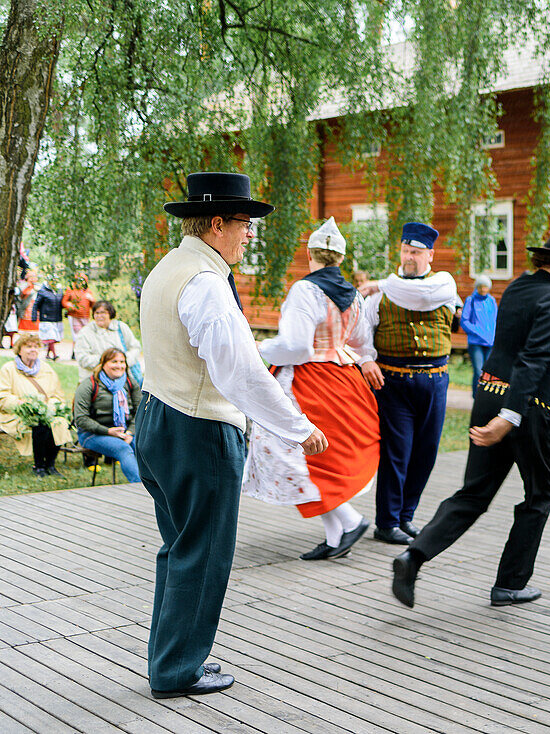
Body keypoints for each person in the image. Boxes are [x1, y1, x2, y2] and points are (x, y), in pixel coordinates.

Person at [135, 171, 326, 699]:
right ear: (217, 223)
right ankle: (177, 670)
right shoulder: (206, 284)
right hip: (196, 431)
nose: (250, 235)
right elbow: (238, 372)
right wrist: (297, 428)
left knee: (179, 548)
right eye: (246, 224)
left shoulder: (168, 268)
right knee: (204, 552)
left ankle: (169, 656)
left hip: (157, 419)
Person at [391, 229, 550, 609]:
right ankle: (509, 584)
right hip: (528, 410)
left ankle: (414, 557)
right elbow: (534, 358)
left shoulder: (520, 287)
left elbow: (525, 332)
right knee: (539, 495)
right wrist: (511, 416)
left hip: (488, 395)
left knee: (473, 493)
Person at [241, 217, 381, 560]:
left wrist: (260, 349)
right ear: (341, 258)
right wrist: (363, 360)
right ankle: (336, 534)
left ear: (310, 254)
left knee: (292, 454)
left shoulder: (305, 289)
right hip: (344, 379)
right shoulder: (354, 295)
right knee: (317, 460)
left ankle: (349, 520)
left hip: (307, 381)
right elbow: (362, 342)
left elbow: (298, 346)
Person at [358, 222, 461, 545]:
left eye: (416, 252)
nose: (409, 258)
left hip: (435, 380)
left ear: (430, 253)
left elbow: (420, 293)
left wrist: (379, 283)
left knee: (426, 452)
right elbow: (360, 332)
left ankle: (406, 516)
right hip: (394, 380)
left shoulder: (444, 284)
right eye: (405, 251)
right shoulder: (379, 297)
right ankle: (387, 522)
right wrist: (366, 359)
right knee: (397, 452)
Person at [0, 333, 72, 477]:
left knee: (58, 422)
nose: (33, 349)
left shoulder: (46, 368)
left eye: (35, 346)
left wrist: (52, 405)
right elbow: (3, 397)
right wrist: (24, 405)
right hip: (17, 413)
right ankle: (39, 466)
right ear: (19, 350)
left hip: (46, 410)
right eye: (28, 346)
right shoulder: (8, 369)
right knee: (39, 423)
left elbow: (58, 394)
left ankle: (50, 464)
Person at [73, 348, 143, 483]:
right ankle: (139, 487)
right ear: (103, 364)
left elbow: (141, 411)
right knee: (122, 448)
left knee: (146, 447)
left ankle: (160, 489)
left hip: (125, 431)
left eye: (122, 362)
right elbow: (81, 419)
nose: (119, 365)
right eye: (114, 361)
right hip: (93, 434)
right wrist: (108, 431)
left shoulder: (129, 383)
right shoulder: (89, 385)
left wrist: (130, 432)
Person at [74, 300, 142, 381]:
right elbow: (82, 359)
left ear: (110, 314)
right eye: (97, 313)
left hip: (123, 379)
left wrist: (121, 362)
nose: (99, 316)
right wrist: (106, 362)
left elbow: (135, 348)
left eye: (103, 313)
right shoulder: (85, 332)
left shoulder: (121, 328)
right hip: (95, 381)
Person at [460, 274, 497, 390]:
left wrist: (494, 335)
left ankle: (485, 396)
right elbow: (464, 321)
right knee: (478, 369)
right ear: (477, 287)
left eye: (485, 287)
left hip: (490, 342)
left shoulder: (491, 301)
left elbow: (495, 320)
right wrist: (478, 332)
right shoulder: (470, 300)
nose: (483, 290)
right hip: (475, 342)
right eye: (481, 287)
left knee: (488, 371)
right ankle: (476, 396)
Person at [32, 279, 65, 360]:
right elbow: (36, 305)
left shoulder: (59, 291)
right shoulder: (42, 291)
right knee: (51, 337)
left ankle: (47, 354)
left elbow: (62, 303)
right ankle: (54, 355)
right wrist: (34, 317)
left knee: (54, 338)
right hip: (46, 318)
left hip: (57, 318)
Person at [63, 272, 95, 343]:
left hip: (85, 316)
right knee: (76, 335)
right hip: (74, 316)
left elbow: (93, 306)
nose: (80, 283)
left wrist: (92, 300)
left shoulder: (88, 291)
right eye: (78, 281)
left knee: (85, 333)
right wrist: (72, 306)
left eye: (82, 281)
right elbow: (64, 302)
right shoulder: (71, 290)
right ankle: (75, 351)